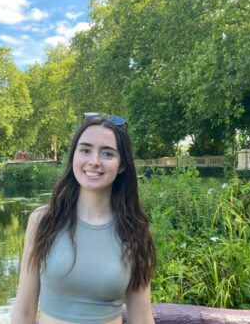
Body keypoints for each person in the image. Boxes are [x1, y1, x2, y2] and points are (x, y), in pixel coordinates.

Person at [12, 113, 156, 324]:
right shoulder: (42, 221)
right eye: (85, 150)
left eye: (107, 154)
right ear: (73, 158)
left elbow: (141, 317)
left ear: (122, 165)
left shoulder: (136, 231)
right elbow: (24, 309)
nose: (94, 161)